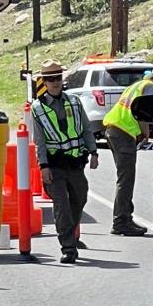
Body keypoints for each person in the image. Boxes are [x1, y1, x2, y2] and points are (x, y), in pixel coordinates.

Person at [29, 59, 99, 263]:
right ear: (44, 82)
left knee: (80, 198)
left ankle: (70, 231)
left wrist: (94, 152)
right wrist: (43, 166)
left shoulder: (74, 102)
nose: (54, 82)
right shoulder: (38, 108)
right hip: (54, 166)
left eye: (57, 78)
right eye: (50, 79)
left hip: (75, 163)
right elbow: (39, 141)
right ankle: (68, 248)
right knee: (62, 205)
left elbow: (86, 128)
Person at [102, 67, 153, 236]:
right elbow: (143, 113)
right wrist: (146, 133)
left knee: (124, 177)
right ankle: (121, 221)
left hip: (114, 129)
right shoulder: (151, 87)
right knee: (126, 179)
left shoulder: (138, 85)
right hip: (123, 132)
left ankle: (125, 217)